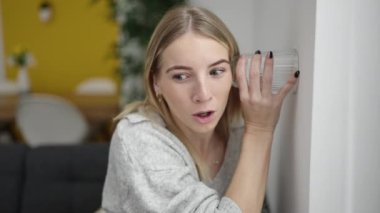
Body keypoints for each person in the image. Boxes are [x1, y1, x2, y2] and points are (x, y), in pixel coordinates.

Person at [101, 5, 299, 213]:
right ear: (156, 82)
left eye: (216, 71)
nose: (203, 95)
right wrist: (260, 130)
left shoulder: (238, 133)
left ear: (234, 74)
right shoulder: (137, 138)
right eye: (181, 76)